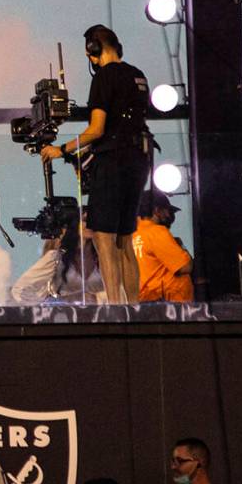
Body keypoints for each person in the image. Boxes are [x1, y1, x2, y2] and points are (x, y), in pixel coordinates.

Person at [41, 25, 151, 303]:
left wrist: (61, 150)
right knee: (125, 238)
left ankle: (115, 307)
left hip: (113, 161)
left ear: (93, 51)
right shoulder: (138, 75)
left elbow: (97, 129)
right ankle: (134, 307)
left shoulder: (104, 77)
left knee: (104, 239)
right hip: (140, 159)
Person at [11, 219, 104, 305]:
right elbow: (20, 290)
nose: (89, 224)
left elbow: (117, 292)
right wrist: (63, 301)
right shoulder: (56, 257)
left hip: (103, 319)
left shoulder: (105, 259)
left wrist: (98, 298)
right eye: (84, 220)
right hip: (65, 318)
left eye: (93, 219)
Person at [133, 190, 193, 302]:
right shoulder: (156, 232)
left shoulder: (133, 235)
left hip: (146, 301)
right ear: (157, 211)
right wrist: (181, 246)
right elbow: (185, 267)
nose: (169, 216)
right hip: (170, 305)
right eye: (167, 211)